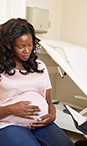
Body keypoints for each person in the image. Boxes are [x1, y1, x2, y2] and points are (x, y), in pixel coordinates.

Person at [0, 18, 75, 146]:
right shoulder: (1, 70)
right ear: (9, 46)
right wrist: (11, 109)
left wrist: (52, 115)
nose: (27, 50)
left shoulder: (40, 66)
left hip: (41, 124)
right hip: (8, 124)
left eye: (30, 44)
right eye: (21, 46)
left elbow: (49, 101)